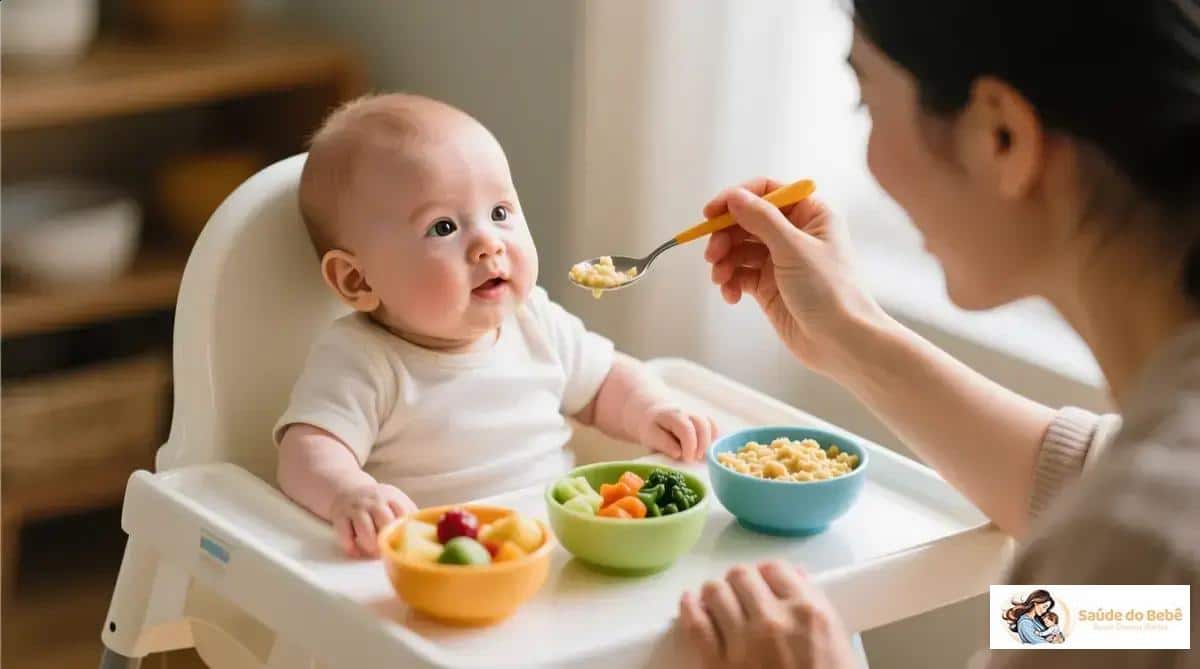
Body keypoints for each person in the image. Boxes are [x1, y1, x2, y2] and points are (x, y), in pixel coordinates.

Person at [676, 1, 1200, 667]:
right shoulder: (1140, 520)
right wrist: (849, 334)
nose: (869, 161)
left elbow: (1131, 561)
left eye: (866, 103)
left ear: (1000, 134)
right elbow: (1142, 599)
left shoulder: (1138, 541)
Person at [274, 94, 716, 557]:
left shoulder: (535, 322)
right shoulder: (363, 359)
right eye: (443, 227)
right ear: (356, 278)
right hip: (448, 567)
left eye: (500, 213)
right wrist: (349, 492)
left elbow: (605, 383)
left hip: (564, 545)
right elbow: (307, 451)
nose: (488, 242)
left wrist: (652, 412)